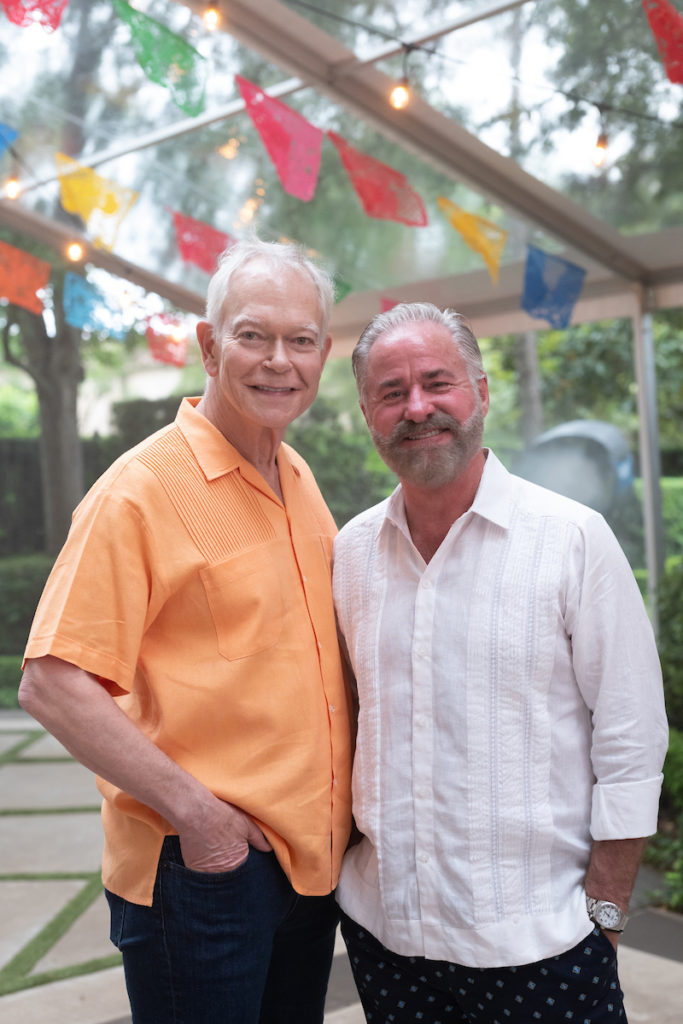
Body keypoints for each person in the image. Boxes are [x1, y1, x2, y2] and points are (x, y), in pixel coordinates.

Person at [19, 238, 353, 1024]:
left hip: (308, 868)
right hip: (204, 872)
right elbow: (52, 682)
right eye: (252, 335)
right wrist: (199, 821)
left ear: (323, 354)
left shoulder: (298, 477)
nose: (279, 360)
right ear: (208, 345)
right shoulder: (139, 489)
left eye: (300, 340)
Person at [332, 302, 668, 1023]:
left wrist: (604, 912)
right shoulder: (350, 553)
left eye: (436, 383)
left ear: (480, 392)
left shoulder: (573, 539)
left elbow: (631, 736)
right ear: (368, 413)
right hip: (385, 936)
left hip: (540, 940)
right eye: (391, 393)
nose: (416, 408)